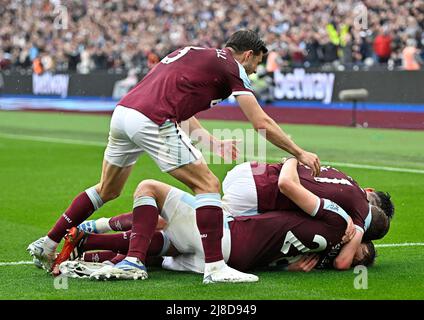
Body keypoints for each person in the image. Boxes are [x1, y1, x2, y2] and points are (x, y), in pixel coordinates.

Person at [27, 29, 320, 284]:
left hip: (124, 114)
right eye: (256, 64)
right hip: (153, 119)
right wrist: (299, 151)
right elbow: (261, 123)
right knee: (207, 185)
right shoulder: (232, 67)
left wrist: (211, 141)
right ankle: (216, 268)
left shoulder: (192, 53)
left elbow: (182, 105)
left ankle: (49, 243)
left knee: (108, 189)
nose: (254, 72)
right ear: (248, 54)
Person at [54, 179, 374, 280]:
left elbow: (287, 185)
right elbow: (343, 261)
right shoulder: (317, 259)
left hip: (225, 242)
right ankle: (92, 247)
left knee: (149, 188)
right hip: (236, 260)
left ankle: (130, 259)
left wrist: (293, 159)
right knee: (168, 243)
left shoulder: (332, 218)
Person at [222, 158, 393, 269]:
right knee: (215, 232)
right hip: (255, 195)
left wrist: (291, 158)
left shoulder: (345, 179)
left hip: (249, 170)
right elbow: (342, 263)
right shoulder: (355, 214)